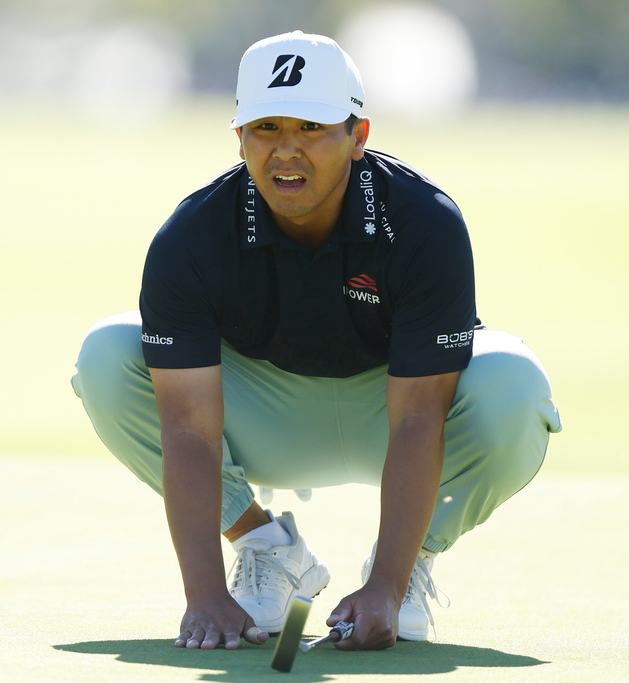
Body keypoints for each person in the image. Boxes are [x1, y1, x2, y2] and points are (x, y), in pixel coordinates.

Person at [70, 31, 561, 651]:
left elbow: (417, 417)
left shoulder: (423, 221)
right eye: (266, 127)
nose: (286, 150)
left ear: (357, 138)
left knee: (514, 384)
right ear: (239, 139)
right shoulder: (192, 235)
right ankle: (265, 548)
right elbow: (191, 429)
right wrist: (204, 596)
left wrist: (387, 581)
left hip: (396, 415)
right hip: (261, 419)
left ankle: (407, 568)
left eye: (311, 127)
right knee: (108, 354)